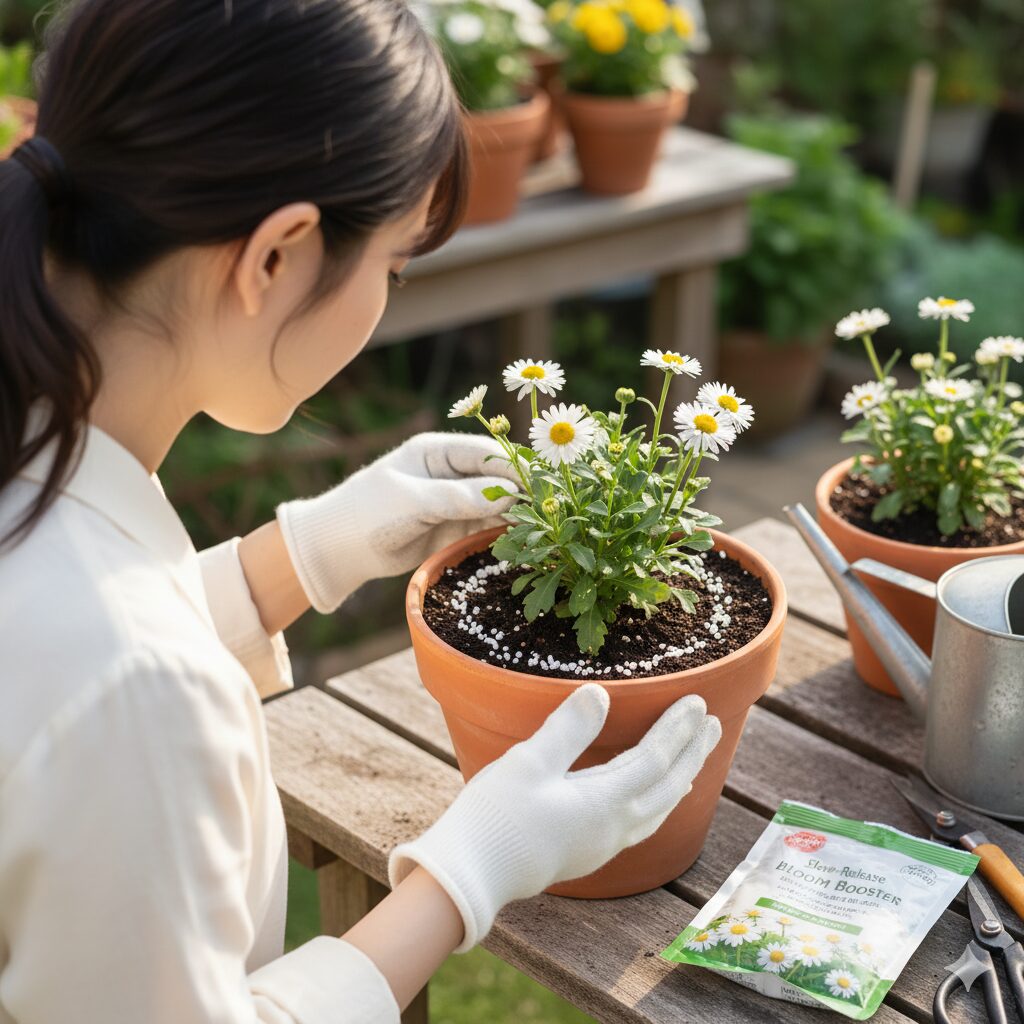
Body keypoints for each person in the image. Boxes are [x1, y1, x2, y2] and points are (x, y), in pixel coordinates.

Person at [0, 2, 722, 1021]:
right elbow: (104, 685)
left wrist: (297, 559)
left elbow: (47, 659)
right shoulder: (133, 691)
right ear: (278, 254)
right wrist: (464, 873)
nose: (385, 296)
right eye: (390, 263)